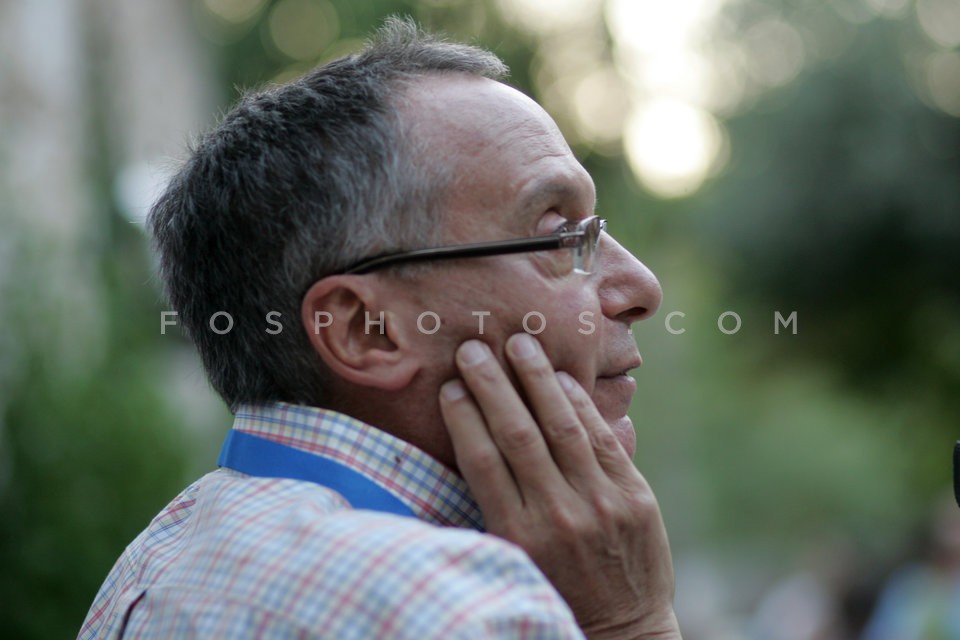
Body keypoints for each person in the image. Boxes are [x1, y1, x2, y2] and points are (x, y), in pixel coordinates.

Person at [79, 17, 680, 640]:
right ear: (367, 330)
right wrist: (631, 621)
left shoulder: (157, 558)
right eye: (560, 236)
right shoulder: (461, 610)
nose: (640, 287)